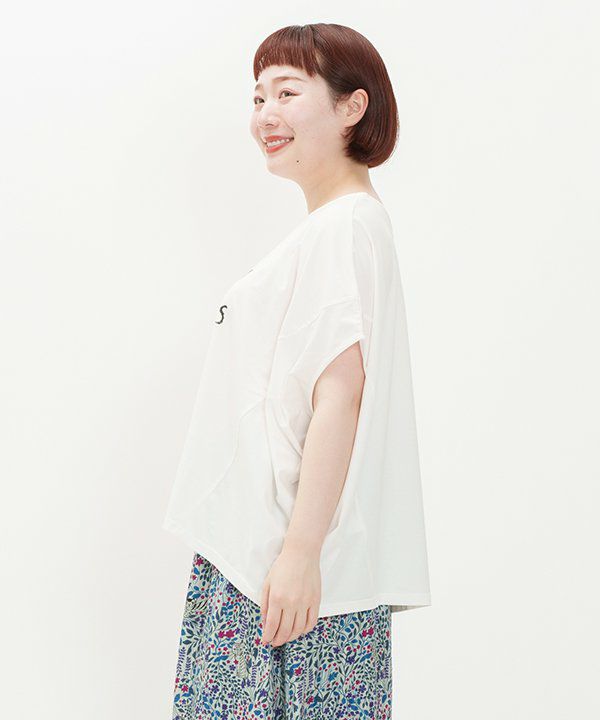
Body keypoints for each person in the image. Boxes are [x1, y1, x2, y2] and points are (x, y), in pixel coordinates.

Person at [163, 22, 431, 720]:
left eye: (287, 92)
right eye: (257, 97)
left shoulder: (344, 228)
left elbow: (339, 398)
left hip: (284, 569)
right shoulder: (344, 227)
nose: (265, 115)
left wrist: (301, 553)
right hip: (276, 560)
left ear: (352, 107)